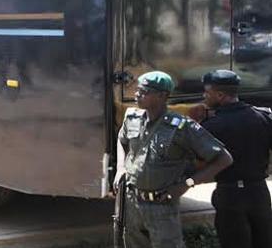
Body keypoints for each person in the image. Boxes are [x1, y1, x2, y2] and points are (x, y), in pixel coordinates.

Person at [115, 71, 233, 248]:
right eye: (137, 90)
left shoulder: (181, 127)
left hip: (162, 206)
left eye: (144, 91)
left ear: (162, 96)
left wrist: (187, 183)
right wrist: (120, 167)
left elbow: (224, 159)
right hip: (132, 203)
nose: (137, 94)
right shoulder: (133, 118)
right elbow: (121, 140)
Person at [199, 70, 272, 248]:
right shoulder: (263, 117)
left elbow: (198, 161)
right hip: (259, 192)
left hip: (230, 194)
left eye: (207, 93)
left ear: (220, 95)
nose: (204, 97)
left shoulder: (211, 126)